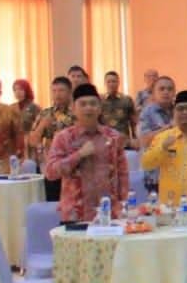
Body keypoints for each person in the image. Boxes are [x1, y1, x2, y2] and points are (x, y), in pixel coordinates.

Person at [43, 83, 128, 224]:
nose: (88, 108)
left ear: (100, 108)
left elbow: (123, 174)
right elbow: (51, 172)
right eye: (83, 104)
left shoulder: (113, 137)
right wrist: (79, 155)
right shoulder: (64, 137)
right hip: (75, 214)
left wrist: (123, 204)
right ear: (73, 109)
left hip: (109, 213)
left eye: (93, 104)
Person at [30, 77, 74, 199]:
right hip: (50, 166)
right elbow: (32, 140)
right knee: (52, 202)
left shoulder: (78, 113)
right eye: (54, 91)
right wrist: (43, 125)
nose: (57, 94)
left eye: (61, 90)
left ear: (70, 92)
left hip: (73, 166)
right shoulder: (45, 113)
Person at [98, 71, 136, 140]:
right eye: (108, 82)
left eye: (114, 81)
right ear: (105, 83)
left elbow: (133, 122)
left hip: (123, 142)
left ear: (118, 83)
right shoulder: (99, 100)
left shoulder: (127, 100)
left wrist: (135, 139)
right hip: (105, 141)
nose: (111, 84)